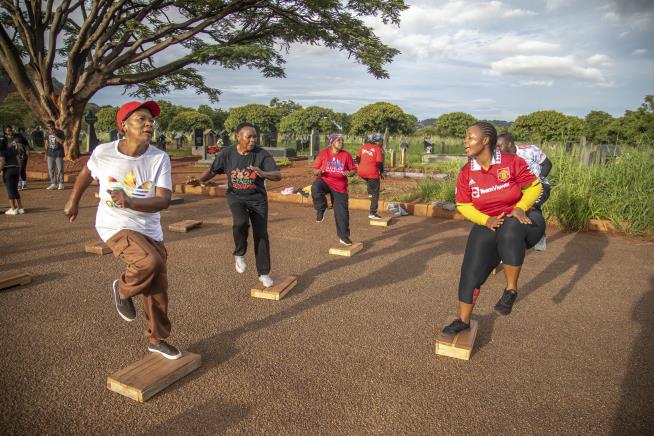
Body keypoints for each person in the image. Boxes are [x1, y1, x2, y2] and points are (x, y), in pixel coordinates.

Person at [64, 101, 182, 359]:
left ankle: (157, 339)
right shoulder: (104, 152)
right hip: (114, 224)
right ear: (124, 126)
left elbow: (163, 200)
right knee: (147, 262)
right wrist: (73, 201)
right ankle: (122, 289)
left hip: (150, 230)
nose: (149, 123)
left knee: (158, 289)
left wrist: (131, 201)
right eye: (141, 119)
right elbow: (86, 174)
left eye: (151, 120)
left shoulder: (159, 158)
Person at [442, 121, 545, 337]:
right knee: (470, 273)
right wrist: (485, 220)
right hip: (490, 222)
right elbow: (463, 205)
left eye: (470, 137)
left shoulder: (511, 162)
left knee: (510, 226)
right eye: (465, 137)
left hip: (525, 220)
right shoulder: (466, 172)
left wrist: (520, 207)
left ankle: (510, 290)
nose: (465, 142)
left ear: (486, 140)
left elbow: (535, 187)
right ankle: (463, 320)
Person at [188, 122, 281, 288]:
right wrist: (200, 180)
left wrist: (263, 173)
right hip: (236, 196)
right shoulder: (227, 154)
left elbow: (277, 174)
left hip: (258, 200)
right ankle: (239, 253)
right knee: (240, 222)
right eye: (249, 137)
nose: (253, 140)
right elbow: (213, 170)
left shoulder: (262, 154)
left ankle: (264, 273)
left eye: (255, 137)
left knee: (261, 235)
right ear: (238, 137)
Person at [497, 133, 551, 251]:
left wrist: (537, 181)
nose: (497, 149)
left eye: (499, 146)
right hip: (518, 190)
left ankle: (540, 235)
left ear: (509, 144)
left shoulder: (530, 150)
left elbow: (547, 164)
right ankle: (508, 240)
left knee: (532, 204)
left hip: (539, 186)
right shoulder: (501, 159)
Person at [311, 133, 357, 245]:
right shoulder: (324, 154)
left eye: (342, 140)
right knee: (316, 186)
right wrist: (319, 171)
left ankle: (343, 237)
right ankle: (321, 209)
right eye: (338, 140)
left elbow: (353, 170)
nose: (341, 142)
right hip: (325, 181)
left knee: (342, 214)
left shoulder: (346, 155)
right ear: (332, 143)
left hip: (340, 187)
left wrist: (349, 173)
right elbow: (314, 170)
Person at [356, 132, 384, 219]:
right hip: (372, 172)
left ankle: (370, 193)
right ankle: (373, 213)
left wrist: (363, 166)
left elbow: (357, 158)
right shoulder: (378, 148)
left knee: (370, 181)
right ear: (378, 141)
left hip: (361, 172)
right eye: (381, 140)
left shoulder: (363, 146)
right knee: (376, 192)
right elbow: (379, 162)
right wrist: (381, 172)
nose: (382, 142)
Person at [1, 127, 27, 214]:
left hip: (8, 170)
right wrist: (18, 169)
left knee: (9, 189)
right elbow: (18, 159)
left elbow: (2, 162)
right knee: (15, 189)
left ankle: (13, 209)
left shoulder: (2, 151)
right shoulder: (12, 149)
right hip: (16, 169)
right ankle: (21, 208)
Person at [45, 120, 66, 190]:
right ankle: (53, 183)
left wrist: (54, 134)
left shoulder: (60, 132)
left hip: (58, 153)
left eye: (50, 126)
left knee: (60, 169)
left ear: (54, 125)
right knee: (51, 169)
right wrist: (45, 153)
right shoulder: (47, 133)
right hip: (50, 153)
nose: (50, 128)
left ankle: (61, 183)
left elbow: (61, 141)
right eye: (48, 127)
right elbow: (46, 143)